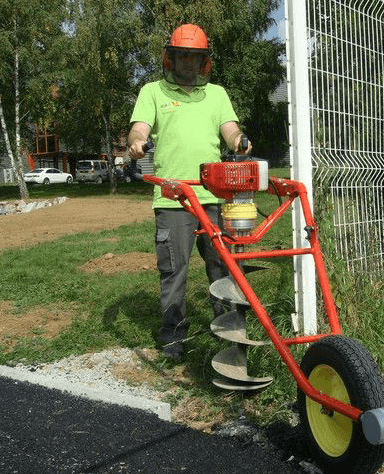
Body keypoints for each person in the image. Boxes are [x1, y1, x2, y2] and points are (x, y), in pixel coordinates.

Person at [127, 23, 252, 360]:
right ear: (170, 59)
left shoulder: (217, 94)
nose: (187, 62)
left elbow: (230, 129)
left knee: (222, 267)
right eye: (181, 55)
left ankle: (229, 335)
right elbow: (139, 129)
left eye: (193, 57)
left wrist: (239, 141)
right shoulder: (152, 92)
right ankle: (172, 339)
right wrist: (137, 142)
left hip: (214, 196)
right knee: (173, 270)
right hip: (172, 197)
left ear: (203, 62)